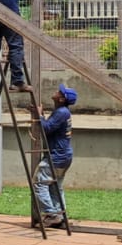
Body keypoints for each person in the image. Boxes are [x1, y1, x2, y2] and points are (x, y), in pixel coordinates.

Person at [32, 84, 75, 227]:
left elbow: (46, 128)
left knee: (39, 183)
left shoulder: (61, 112)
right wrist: (42, 115)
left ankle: (50, 214)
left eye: (59, 92)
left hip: (56, 156)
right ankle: (59, 214)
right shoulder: (62, 111)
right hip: (64, 156)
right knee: (55, 187)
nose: (56, 92)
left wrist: (38, 115)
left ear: (62, 99)